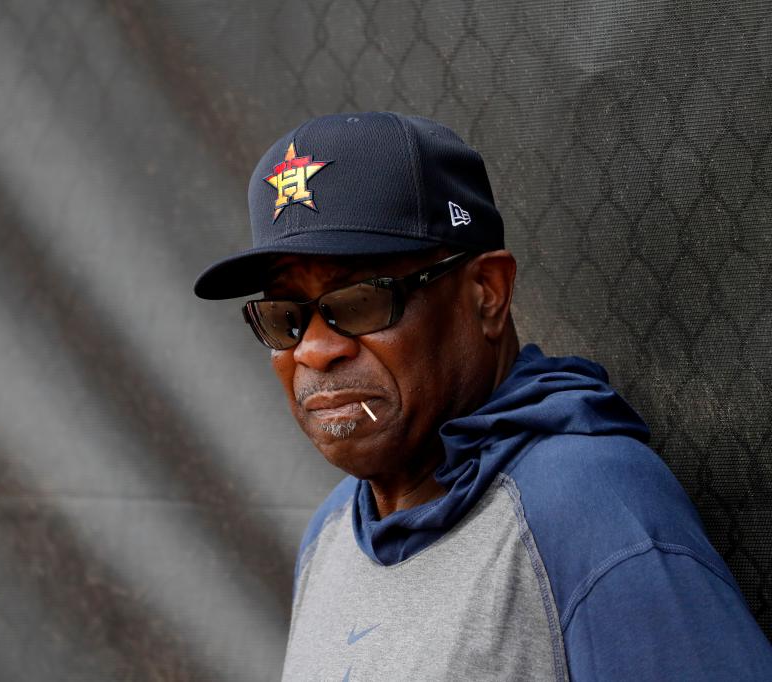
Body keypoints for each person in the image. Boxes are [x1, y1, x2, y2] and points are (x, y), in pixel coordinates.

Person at [193, 112, 772, 680]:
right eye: (284, 317)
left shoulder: (586, 508)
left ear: (487, 293)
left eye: (361, 300)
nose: (314, 351)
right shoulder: (333, 530)